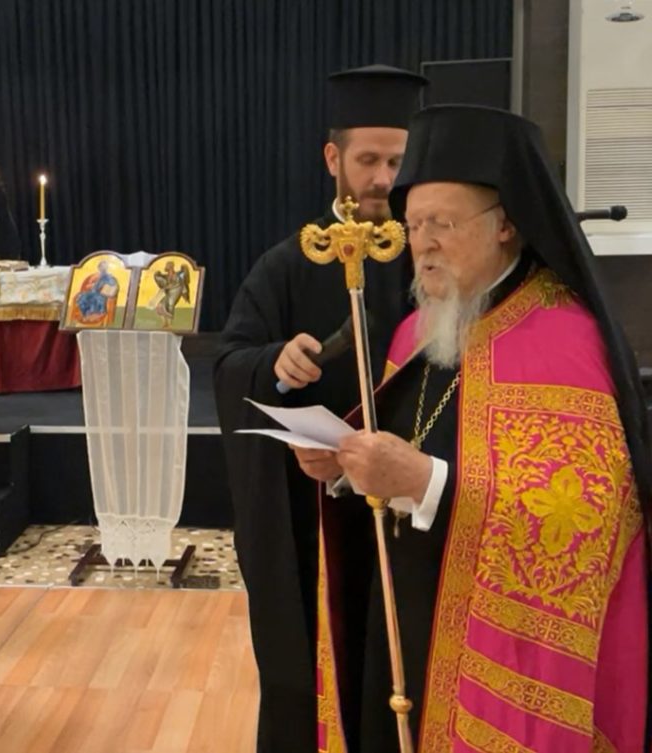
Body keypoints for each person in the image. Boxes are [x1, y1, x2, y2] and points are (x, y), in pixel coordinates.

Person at [295, 105, 651, 752]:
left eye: (443, 224)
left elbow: (585, 521)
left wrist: (427, 482)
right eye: (413, 225)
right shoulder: (419, 328)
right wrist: (344, 468)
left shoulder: (566, 340)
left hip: (486, 637)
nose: (421, 243)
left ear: (507, 224)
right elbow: (399, 446)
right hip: (403, 608)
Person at [213, 65, 427, 753]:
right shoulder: (288, 264)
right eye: (368, 160)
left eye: (397, 160)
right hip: (309, 519)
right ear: (333, 159)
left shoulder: (433, 260)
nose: (382, 179)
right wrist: (274, 362)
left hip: (411, 516)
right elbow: (229, 360)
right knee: (310, 667)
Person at [72, 259, 119, 325]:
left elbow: (112, 285)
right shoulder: (98, 276)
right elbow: (95, 286)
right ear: (99, 268)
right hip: (93, 292)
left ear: (106, 268)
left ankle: (92, 314)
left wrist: (105, 288)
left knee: (95, 298)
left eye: (103, 267)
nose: (102, 268)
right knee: (82, 296)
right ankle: (86, 314)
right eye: (101, 267)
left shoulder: (108, 276)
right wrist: (92, 285)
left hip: (101, 294)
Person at [152, 260, 190, 328]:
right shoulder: (166, 276)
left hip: (175, 292)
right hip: (168, 293)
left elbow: (178, 284)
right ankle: (164, 323)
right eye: (167, 265)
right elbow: (162, 281)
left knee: (170, 305)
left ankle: (169, 324)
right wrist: (156, 275)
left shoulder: (178, 275)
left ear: (171, 266)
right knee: (160, 305)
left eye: (168, 265)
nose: (166, 267)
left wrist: (167, 287)